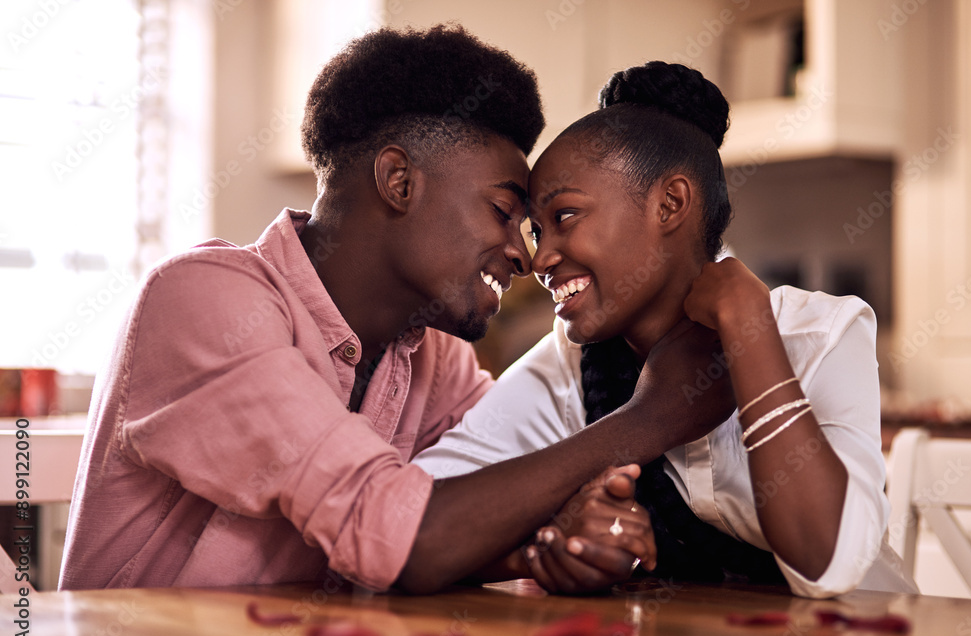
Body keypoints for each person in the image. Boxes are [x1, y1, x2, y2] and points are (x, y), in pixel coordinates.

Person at [59, 27, 736, 595]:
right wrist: (647, 419)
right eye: (504, 213)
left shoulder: (433, 357)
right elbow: (405, 535)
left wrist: (546, 544)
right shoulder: (204, 299)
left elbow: (494, 505)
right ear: (399, 180)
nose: (524, 255)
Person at [412, 61, 918, 598]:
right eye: (538, 231)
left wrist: (749, 328)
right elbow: (409, 520)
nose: (542, 259)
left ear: (670, 204)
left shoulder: (818, 335)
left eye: (564, 217)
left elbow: (829, 566)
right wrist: (545, 545)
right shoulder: (568, 364)